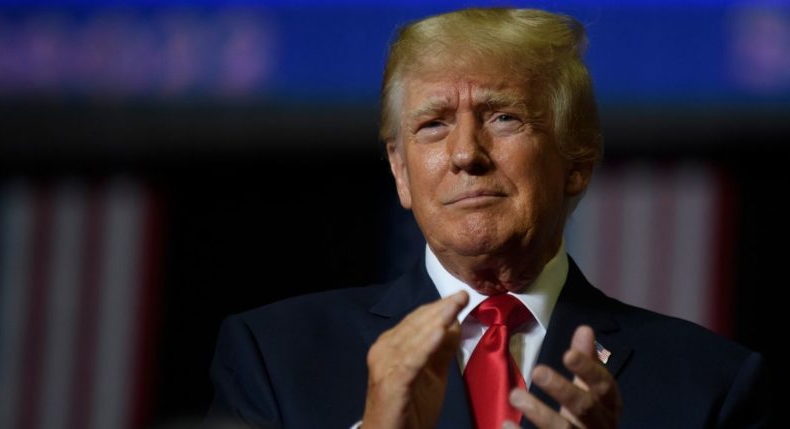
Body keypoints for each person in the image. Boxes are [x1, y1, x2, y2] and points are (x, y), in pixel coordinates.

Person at [203, 7, 770, 429]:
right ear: (400, 172)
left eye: (503, 118)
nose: (465, 154)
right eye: (433, 124)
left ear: (576, 163)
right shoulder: (273, 356)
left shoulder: (710, 385)